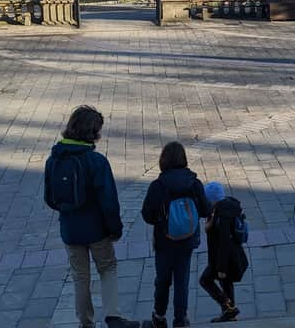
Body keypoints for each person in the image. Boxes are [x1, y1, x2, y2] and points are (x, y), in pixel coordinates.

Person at [44, 106, 139, 328]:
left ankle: (86, 322)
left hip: (70, 229)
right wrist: (115, 229)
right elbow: (109, 201)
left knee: (80, 276)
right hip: (97, 229)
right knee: (107, 267)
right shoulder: (96, 161)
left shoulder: (54, 159)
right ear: (93, 132)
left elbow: (50, 198)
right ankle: (112, 315)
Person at [141, 142, 211, 328]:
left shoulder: (158, 186)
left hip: (164, 241)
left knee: (162, 280)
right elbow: (205, 210)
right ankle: (181, 319)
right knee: (183, 280)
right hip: (187, 241)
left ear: (163, 160)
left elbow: (147, 215)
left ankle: (159, 316)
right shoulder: (194, 183)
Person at [200, 182, 249, 323]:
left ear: (213, 199)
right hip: (229, 257)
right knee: (226, 284)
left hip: (223, 259)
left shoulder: (222, 215)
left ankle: (227, 307)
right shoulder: (225, 207)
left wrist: (221, 268)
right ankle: (230, 312)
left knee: (205, 280)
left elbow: (224, 243)